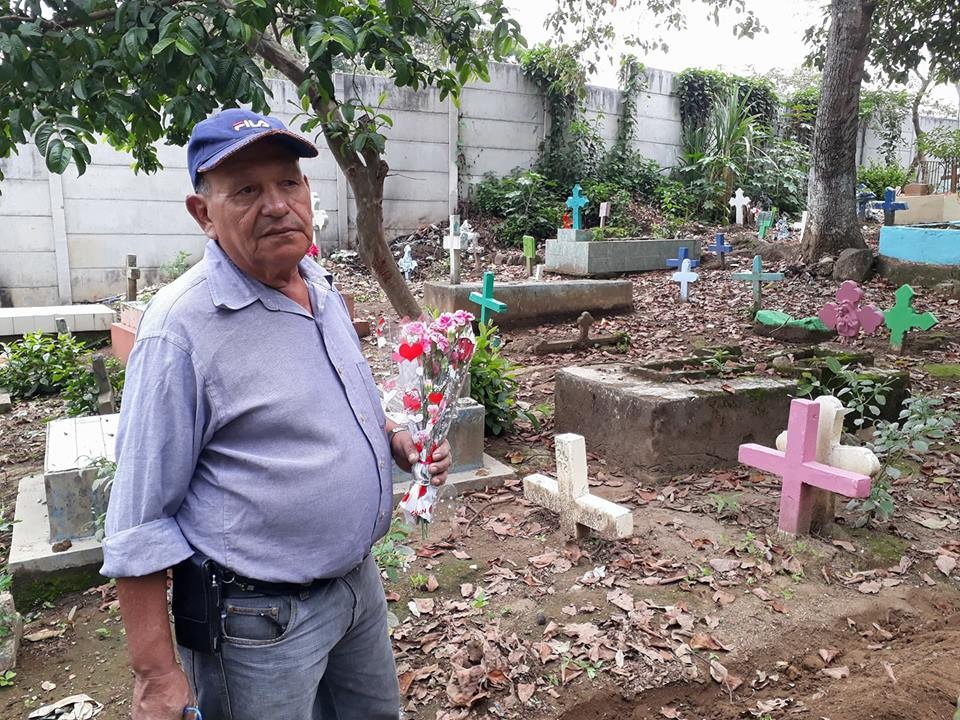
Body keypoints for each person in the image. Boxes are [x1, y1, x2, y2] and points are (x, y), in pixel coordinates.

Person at [101, 108, 451, 720]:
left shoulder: (317, 283)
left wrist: (395, 438)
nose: (277, 205)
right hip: (258, 622)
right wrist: (157, 675)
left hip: (357, 590)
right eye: (246, 190)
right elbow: (137, 519)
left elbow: (349, 397)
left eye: (289, 183)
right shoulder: (179, 332)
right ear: (202, 214)